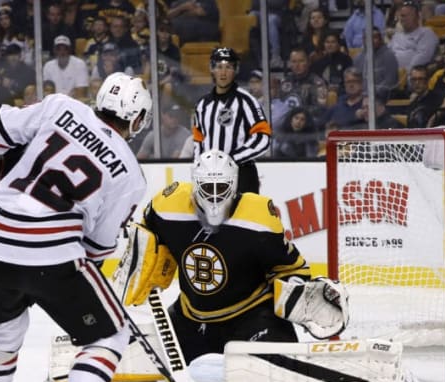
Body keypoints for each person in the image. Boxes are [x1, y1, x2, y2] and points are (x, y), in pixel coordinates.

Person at [0, 71, 151, 382]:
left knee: (3, 333)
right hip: (52, 256)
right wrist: (49, 279)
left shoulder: (61, 107)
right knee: (110, 335)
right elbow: (96, 247)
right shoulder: (131, 175)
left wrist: (15, 152)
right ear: (136, 119)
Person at [133, 149, 336, 368]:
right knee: (131, 357)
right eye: (206, 187)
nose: (213, 195)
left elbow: (290, 268)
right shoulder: (168, 206)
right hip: (191, 317)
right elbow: (145, 232)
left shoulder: (257, 218)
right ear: (195, 183)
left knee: (280, 367)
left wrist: (297, 293)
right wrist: (140, 266)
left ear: (234, 184)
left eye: (220, 187)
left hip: (250, 317)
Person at [191, 47, 271, 194]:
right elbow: (198, 141)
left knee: (244, 217)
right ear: (212, 69)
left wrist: (233, 159)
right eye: (219, 67)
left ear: (236, 70)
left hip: (242, 176)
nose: (223, 72)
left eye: (228, 67)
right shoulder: (202, 104)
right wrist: (198, 169)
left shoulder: (247, 101)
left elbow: (263, 138)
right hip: (210, 179)